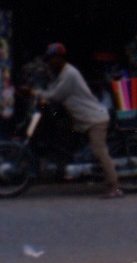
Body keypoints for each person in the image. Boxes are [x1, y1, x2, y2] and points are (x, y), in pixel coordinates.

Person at [31, 44, 120, 198]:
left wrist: (38, 94)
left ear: (59, 59)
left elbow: (57, 95)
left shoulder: (69, 74)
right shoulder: (63, 74)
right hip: (85, 118)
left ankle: (115, 187)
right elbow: (54, 91)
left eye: (51, 59)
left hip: (94, 118)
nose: (49, 63)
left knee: (100, 152)